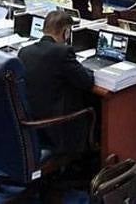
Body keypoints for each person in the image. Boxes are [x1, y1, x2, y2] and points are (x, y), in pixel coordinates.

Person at [17, 10, 94, 154]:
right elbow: (87, 82)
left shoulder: (24, 51)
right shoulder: (62, 53)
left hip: (32, 121)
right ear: (66, 32)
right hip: (57, 128)